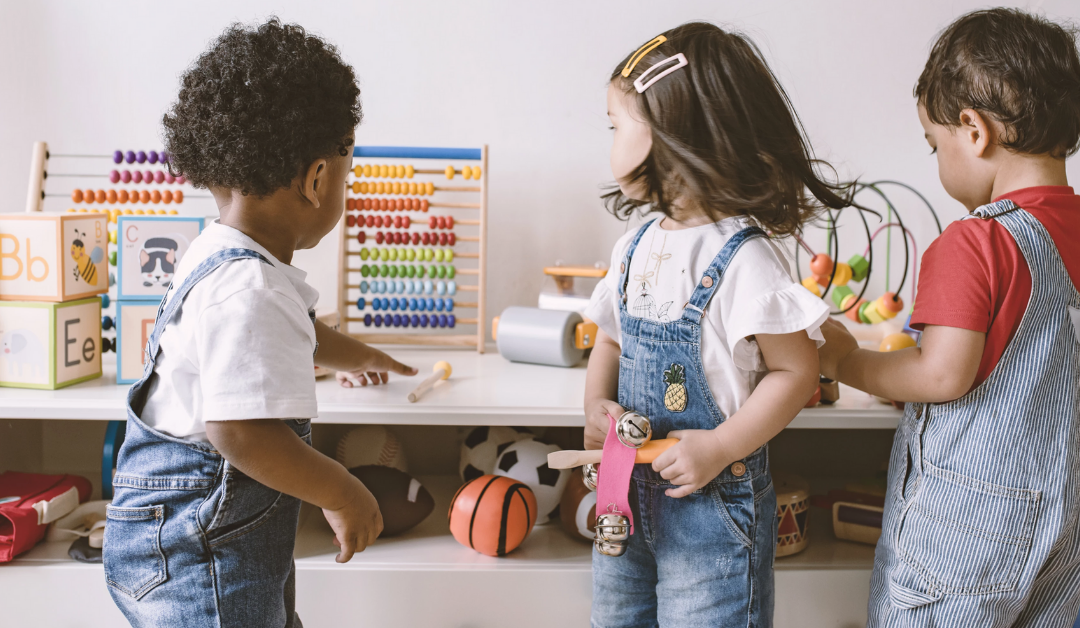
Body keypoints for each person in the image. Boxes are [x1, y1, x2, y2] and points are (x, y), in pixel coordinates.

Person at [102, 18, 416, 628]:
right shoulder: (248, 289)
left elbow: (299, 333)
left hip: (199, 535)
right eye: (343, 175)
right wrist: (341, 489)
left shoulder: (226, 257)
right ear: (317, 178)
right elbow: (241, 434)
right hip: (199, 550)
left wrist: (361, 356)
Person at [584, 22, 857, 627]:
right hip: (623, 496)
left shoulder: (745, 257)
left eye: (615, 125)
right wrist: (594, 403)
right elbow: (609, 336)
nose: (608, 141)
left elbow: (796, 368)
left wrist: (720, 447)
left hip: (712, 511)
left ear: (670, 133)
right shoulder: (634, 246)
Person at [817, 9, 1080, 626]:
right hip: (1068, 523)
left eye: (934, 145)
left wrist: (844, 360)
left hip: (973, 528)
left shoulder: (975, 241)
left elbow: (940, 376)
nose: (937, 162)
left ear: (973, 129)